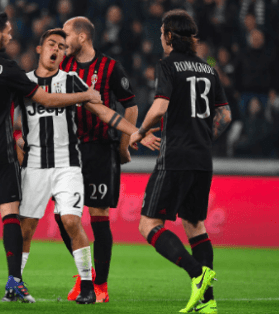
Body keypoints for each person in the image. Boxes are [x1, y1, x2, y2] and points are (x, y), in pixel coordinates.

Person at [0, 11, 102, 301]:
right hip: (0, 151)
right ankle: (14, 282)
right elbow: (45, 99)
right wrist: (85, 95)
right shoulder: (8, 69)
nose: (11, 36)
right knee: (11, 216)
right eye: (9, 31)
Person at [16, 28, 160, 304]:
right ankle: (16, 283)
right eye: (50, 44)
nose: (56, 49)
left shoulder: (72, 80)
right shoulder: (23, 82)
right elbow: (3, 117)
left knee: (71, 219)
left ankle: (88, 286)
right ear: (39, 49)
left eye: (61, 45)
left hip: (68, 162)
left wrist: (137, 133)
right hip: (34, 164)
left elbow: (106, 112)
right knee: (26, 228)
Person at [129, 9, 232, 313]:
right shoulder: (209, 68)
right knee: (195, 225)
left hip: (175, 156)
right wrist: (202, 136)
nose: (160, 38)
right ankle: (208, 302)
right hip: (202, 157)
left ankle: (196, 273)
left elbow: (160, 106)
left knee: (148, 224)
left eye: (162, 33)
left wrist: (140, 131)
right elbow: (224, 115)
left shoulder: (167, 64)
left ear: (170, 36)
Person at [59, 16, 138, 302]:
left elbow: (131, 106)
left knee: (98, 216)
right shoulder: (61, 65)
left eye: (66, 34)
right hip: (68, 151)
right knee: (62, 216)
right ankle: (87, 275)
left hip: (100, 150)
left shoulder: (110, 67)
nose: (62, 40)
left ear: (82, 37)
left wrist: (123, 145)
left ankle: (100, 286)